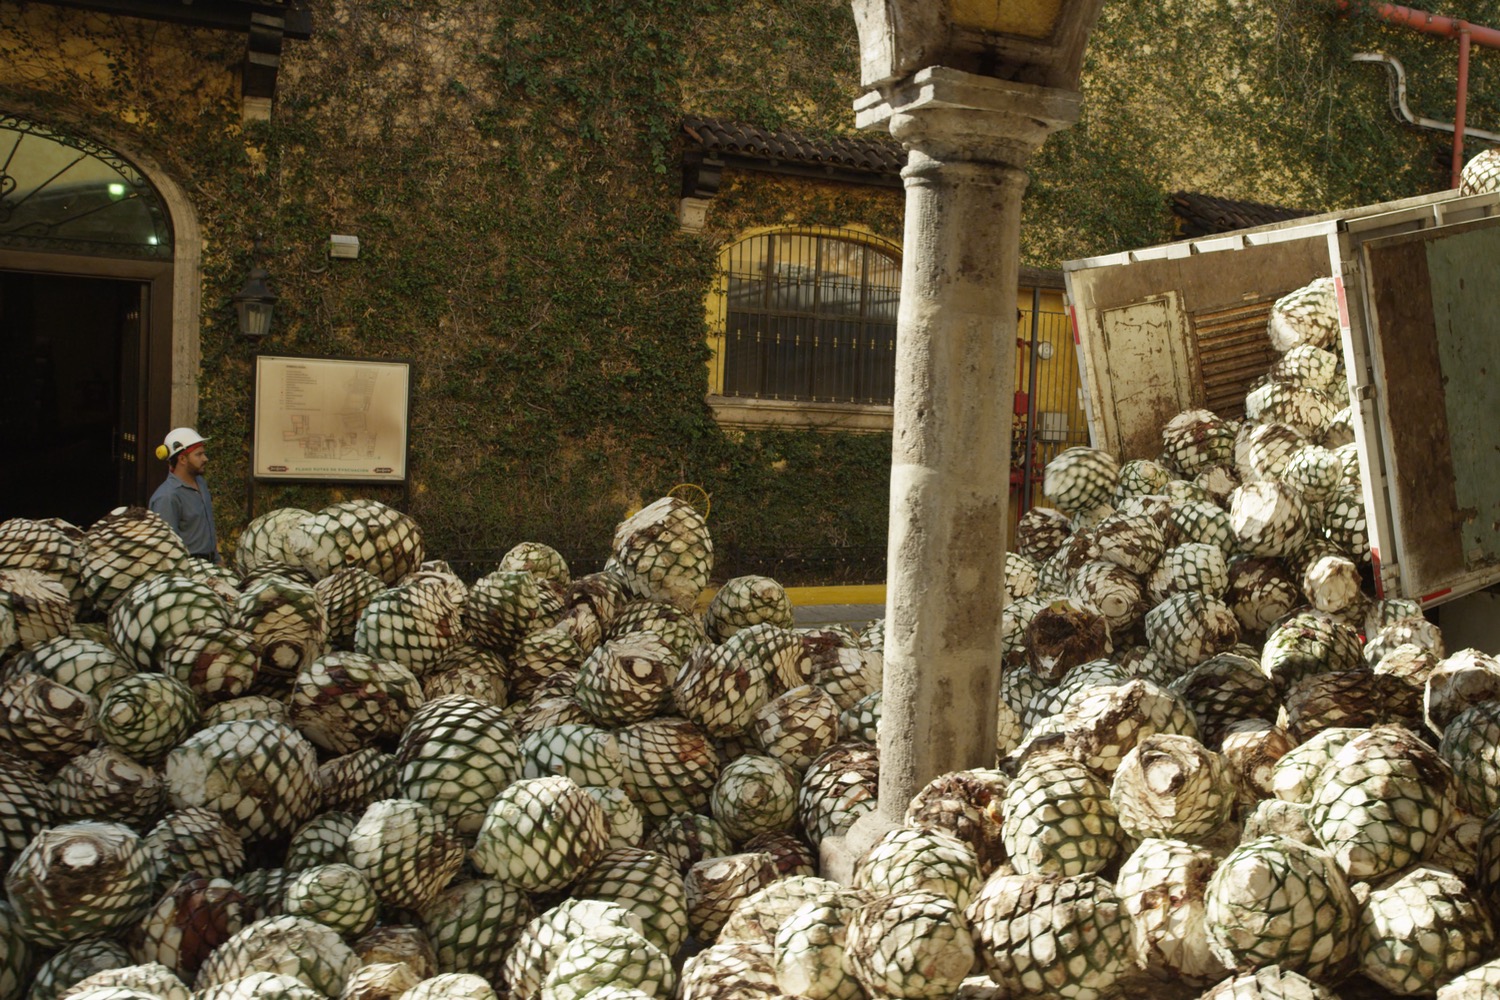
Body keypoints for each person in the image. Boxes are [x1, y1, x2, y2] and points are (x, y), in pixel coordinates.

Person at [149, 427, 219, 563]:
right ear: (182, 459)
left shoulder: (201, 483)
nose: (205, 458)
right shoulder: (167, 497)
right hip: (188, 570)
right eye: (199, 455)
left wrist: (216, 558)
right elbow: (167, 548)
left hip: (209, 565)